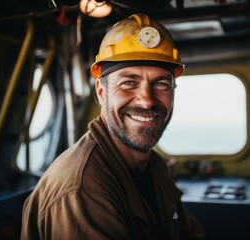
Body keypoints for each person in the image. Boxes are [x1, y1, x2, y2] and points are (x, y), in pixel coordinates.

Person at [21, 13, 205, 240]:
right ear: (101, 92)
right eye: (129, 83)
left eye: (160, 84)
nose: (146, 100)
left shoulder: (154, 166)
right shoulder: (83, 192)